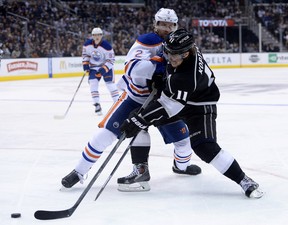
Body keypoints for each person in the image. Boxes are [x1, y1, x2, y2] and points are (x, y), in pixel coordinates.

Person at [61, 9, 201, 191]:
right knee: (107, 134)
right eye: (162, 24)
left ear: (175, 26)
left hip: (163, 102)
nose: (166, 28)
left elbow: (192, 72)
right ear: (155, 24)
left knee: (183, 140)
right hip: (135, 98)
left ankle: (181, 167)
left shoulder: (183, 44)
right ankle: (79, 172)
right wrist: (157, 67)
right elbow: (133, 69)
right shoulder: (146, 41)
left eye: (170, 25)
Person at [120, 28, 264, 198]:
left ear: (187, 54)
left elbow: (169, 107)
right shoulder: (181, 50)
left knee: (205, 148)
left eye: (176, 55)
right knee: (137, 117)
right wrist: (163, 77)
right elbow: (168, 67)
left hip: (199, 106)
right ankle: (140, 171)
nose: (170, 57)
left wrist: (140, 120)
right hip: (179, 97)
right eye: (169, 52)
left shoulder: (187, 77)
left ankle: (244, 180)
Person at [82, 27, 119, 115]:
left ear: (102, 35)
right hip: (94, 67)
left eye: (99, 35)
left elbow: (111, 60)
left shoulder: (107, 46)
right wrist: (86, 64)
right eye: (95, 35)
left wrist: (103, 70)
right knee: (93, 83)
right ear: (92, 36)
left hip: (106, 67)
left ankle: (118, 104)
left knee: (110, 85)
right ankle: (97, 105)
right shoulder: (87, 45)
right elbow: (85, 55)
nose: (97, 37)